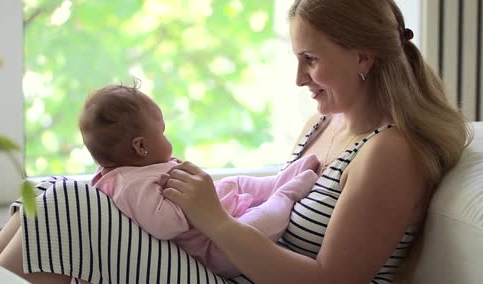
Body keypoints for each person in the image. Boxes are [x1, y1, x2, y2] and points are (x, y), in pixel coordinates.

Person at [0, 0, 471, 284]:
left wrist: (214, 219)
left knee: (69, 203)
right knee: (47, 195)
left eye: (312, 59)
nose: (299, 77)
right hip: (228, 270)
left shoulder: (389, 153)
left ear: (363, 56)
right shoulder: (321, 125)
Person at [78, 84, 318, 277]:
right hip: (216, 249)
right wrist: (197, 201)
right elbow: (165, 225)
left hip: (220, 220)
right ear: (141, 146)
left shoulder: (139, 169)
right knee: (262, 221)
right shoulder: (130, 185)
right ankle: (286, 194)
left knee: (232, 182)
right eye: (161, 132)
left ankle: (278, 181)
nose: (166, 138)